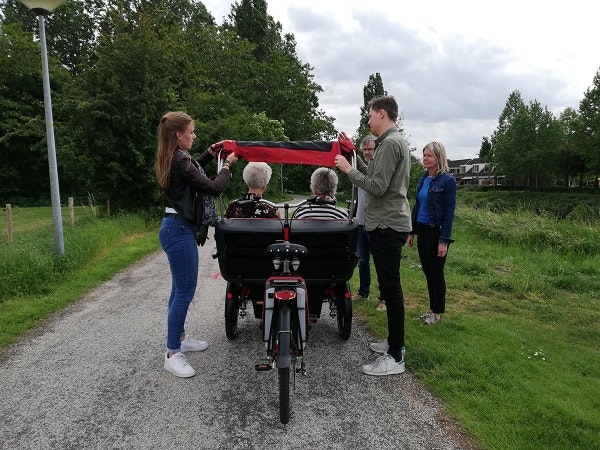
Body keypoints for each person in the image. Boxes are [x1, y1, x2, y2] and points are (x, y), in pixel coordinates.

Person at [155, 111, 238, 378]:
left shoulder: (175, 157)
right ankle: (172, 353)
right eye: (191, 132)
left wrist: (209, 153)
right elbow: (212, 187)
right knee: (184, 293)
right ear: (179, 135)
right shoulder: (180, 160)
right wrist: (226, 166)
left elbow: (194, 172)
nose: (194, 135)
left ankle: (178, 338)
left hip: (176, 227)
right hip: (179, 230)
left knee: (178, 290)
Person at [334, 95, 411, 377]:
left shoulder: (390, 144)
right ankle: (394, 344)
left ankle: (396, 356)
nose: (367, 119)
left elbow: (376, 187)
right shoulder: (392, 141)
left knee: (391, 289)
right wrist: (353, 154)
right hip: (388, 223)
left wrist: (347, 170)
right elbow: (376, 177)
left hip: (386, 224)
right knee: (390, 287)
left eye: (369, 114)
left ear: (381, 113)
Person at [406, 142, 456, 325]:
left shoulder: (447, 181)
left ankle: (437, 314)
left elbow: (450, 212)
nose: (425, 159)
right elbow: (417, 205)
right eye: (424, 155)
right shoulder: (423, 178)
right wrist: (411, 231)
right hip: (423, 229)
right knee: (428, 272)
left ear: (438, 158)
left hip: (437, 232)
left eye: (429, 156)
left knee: (436, 272)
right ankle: (431, 310)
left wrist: (444, 241)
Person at [351, 135, 377, 307]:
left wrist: (352, 151)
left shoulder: (378, 171)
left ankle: (384, 299)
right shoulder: (363, 171)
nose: (368, 152)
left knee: (382, 263)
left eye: (371, 149)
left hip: (376, 224)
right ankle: (363, 292)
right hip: (361, 222)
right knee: (362, 261)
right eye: (365, 149)